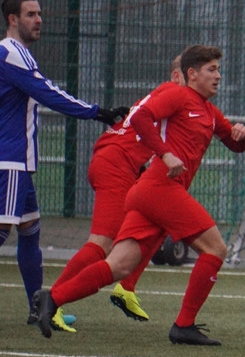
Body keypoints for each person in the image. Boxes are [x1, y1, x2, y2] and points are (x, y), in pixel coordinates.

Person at [33, 45, 245, 344]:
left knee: (119, 265)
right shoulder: (177, 94)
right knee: (216, 250)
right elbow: (140, 118)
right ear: (191, 74)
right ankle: (183, 325)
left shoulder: (210, 113)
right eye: (211, 69)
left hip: (149, 192)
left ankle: (52, 298)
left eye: (218, 69)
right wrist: (166, 155)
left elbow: (234, 144)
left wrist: (243, 135)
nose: (218, 75)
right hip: (159, 187)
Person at [0, 0, 128, 331]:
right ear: (12, 19)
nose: (39, 19)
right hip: (8, 160)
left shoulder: (18, 54)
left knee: (30, 231)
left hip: (20, 161)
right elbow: (48, 92)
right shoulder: (11, 53)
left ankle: (37, 309)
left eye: (40, 13)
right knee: (3, 230)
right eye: (30, 14)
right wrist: (98, 112)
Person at [50, 55, 185, 323]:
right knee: (102, 243)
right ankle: (51, 301)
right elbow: (143, 126)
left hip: (116, 161)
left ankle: (126, 288)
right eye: (190, 72)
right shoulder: (174, 94)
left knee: (162, 220)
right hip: (115, 165)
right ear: (176, 75)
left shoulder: (169, 96)